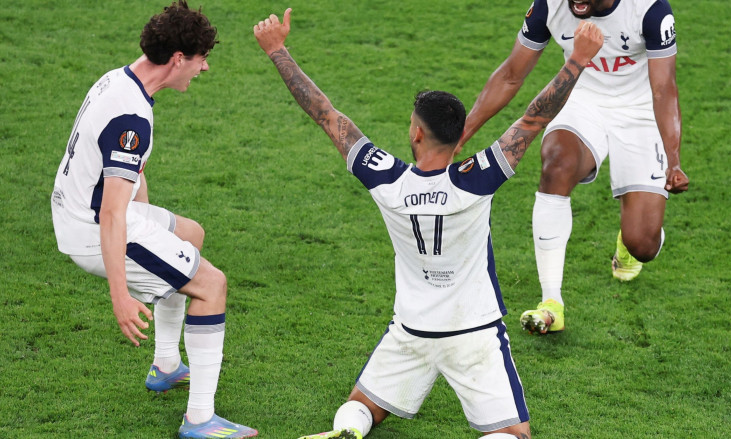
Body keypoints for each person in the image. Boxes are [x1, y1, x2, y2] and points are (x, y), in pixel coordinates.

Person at [253, 9, 602, 439]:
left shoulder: (386, 179)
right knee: (515, 435)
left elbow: (326, 114)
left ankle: (347, 431)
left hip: (411, 331)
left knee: (360, 406)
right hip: (474, 332)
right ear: (458, 136)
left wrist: (277, 50)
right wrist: (577, 59)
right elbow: (534, 118)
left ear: (417, 134)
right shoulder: (479, 179)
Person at [50, 2, 257, 438]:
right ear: (178, 58)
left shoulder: (119, 79)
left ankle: (166, 365)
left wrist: (155, 228)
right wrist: (120, 296)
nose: (204, 68)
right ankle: (199, 420)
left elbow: (130, 175)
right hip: (93, 227)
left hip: (82, 210)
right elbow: (112, 214)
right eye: (202, 59)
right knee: (212, 285)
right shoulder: (131, 117)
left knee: (190, 235)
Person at [459, 0, 690, 335]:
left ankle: (628, 246)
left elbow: (664, 89)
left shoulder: (649, 9)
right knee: (556, 164)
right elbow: (511, 75)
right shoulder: (549, 5)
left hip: (640, 112)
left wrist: (674, 160)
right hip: (581, 101)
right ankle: (551, 302)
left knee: (643, 244)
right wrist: (463, 134)